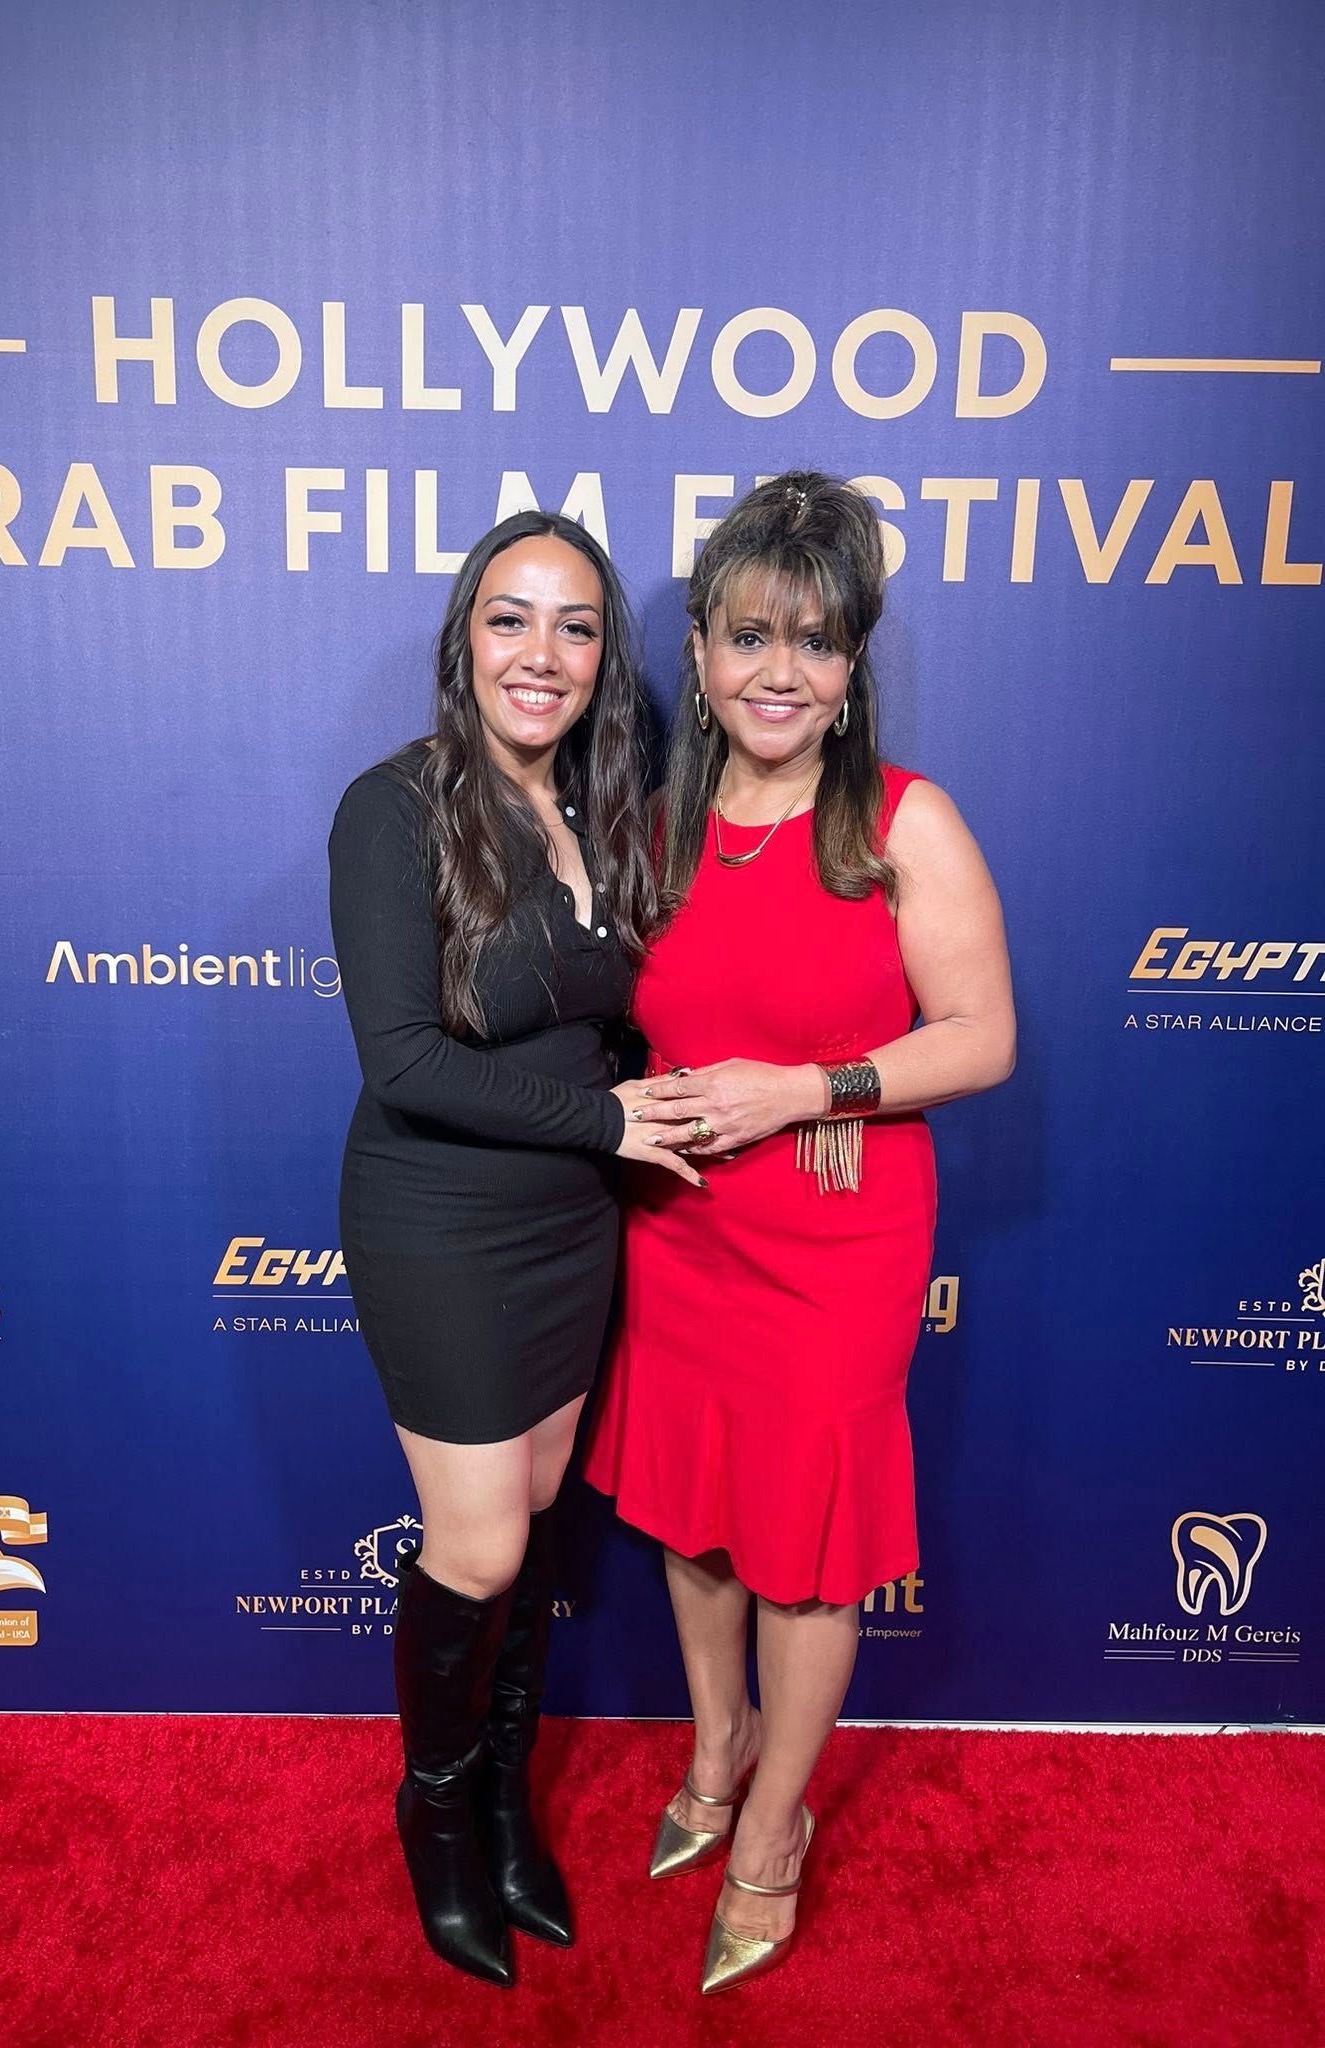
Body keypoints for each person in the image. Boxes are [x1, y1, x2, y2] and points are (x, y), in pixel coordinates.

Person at [585, 472, 1016, 1995]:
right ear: (699, 653)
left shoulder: (904, 823)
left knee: (809, 1554)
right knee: (697, 1514)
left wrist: (806, 1089)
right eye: (751, 636)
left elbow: (980, 1039)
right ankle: (717, 1754)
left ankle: (772, 1827)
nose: (781, 672)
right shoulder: (652, 827)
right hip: (682, 1236)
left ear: (852, 670)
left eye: (816, 644)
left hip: (836, 1243)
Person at [327, 511, 702, 1986]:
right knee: (478, 1542)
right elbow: (404, 1060)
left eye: (575, 625)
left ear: (605, 659)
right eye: (509, 618)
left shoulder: (609, 810)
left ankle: (500, 1801)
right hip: (442, 1217)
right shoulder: (396, 806)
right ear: (462, 639)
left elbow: (614, 1016)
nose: (539, 653)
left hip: (567, 1222)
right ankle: (434, 1817)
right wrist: (607, 1124)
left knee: (535, 1515)